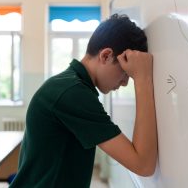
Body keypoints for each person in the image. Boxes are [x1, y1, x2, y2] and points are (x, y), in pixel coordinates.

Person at [9, 14, 157, 188]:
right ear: (106, 56)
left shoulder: (69, 85)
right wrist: (142, 78)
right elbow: (143, 164)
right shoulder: (73, 94)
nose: (125, 83)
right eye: (125, 73)